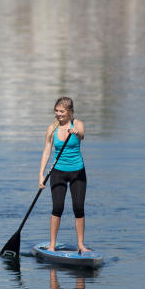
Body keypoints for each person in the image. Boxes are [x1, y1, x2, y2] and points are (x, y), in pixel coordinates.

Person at [38, 96, 89, 253]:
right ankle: (52, 245)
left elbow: (82, 135)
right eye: (56, 111)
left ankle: (81, 245)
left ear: (69, 112)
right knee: (57, 208)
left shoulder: (77, 124)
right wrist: (41, 175)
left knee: (78, 208)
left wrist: (76, 133)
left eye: (61, 111)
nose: (58, 114)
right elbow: (47, 152)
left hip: (77, 172)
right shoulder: (52, 129)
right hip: (58, 172)